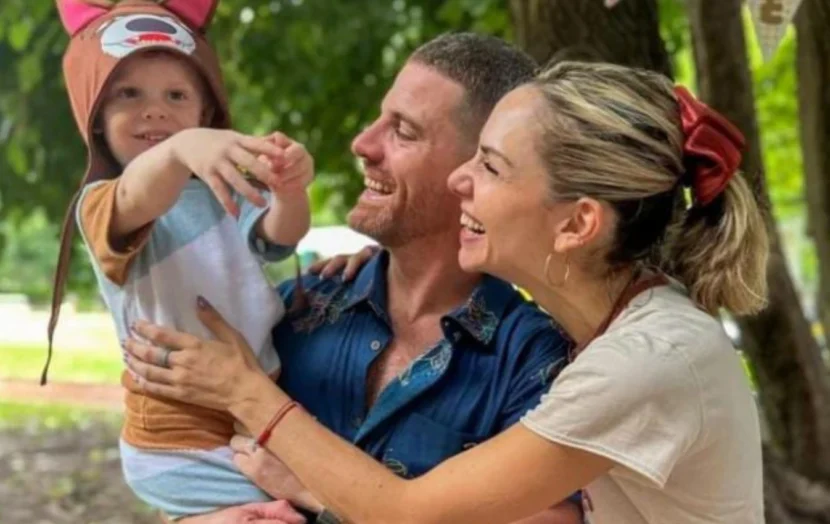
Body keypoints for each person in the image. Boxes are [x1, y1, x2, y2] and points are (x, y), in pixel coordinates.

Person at [126, 58, 770, 523]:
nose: (462, 180)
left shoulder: (642, 362)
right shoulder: (612, 338)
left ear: (577, 225)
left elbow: (409, 512)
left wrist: (246, 392)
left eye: (491, 165)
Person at [178, 33, 582, 524]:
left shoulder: (535, 360)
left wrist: (314, 493)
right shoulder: (293, 310)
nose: (363, 145)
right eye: (378, 118)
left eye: (403, 132)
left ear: (479, 170)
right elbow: (175, 474)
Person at [52, 0, 312, 521]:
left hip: (253, 409)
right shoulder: (104, 202)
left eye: (176, 95)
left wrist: (290, 190)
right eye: (129, 94)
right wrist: (181, 149)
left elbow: (278, 237)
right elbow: (143, 191)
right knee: (308, 502)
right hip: (176, 435)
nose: (155, 110)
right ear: (97, 119)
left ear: (206, 113)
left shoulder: (225, 190)